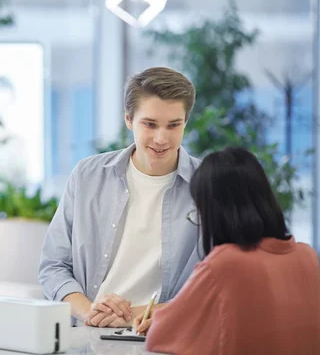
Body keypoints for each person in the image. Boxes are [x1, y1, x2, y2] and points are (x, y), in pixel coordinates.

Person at [39, 67, 202, 327]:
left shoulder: (208, 186)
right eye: (149, 124)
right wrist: (90, 311)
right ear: (129, 119)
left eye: (173, 125)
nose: (161, 138)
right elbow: (53, 266)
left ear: (186, 121)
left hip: (161, 336)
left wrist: (137, 315)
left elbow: (215, 286)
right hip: (88, 335)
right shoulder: (87, 176)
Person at [136, 147, 320, 354]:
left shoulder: (226, 263)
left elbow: (160, 335)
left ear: (214, 211)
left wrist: (159, 320)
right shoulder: (307, 256)